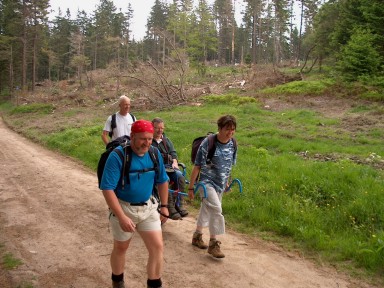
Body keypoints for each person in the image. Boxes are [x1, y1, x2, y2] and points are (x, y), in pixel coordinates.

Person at [100, 119, 169, 288]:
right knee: (121, 247)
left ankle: (154, 284)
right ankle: (118, 282)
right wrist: (121, 217)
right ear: (132, 137)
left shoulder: (154, 153)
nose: (147, 143)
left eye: (150, 139)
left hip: (148, 207)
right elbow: (107, 189)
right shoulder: (117, 156)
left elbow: (162, 180)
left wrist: (165, 207)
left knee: (157, 247)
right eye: (142, 139)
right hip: (123, 207)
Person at [188, 115, 237, 259]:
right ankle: (213, 243)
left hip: (220, 184)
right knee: (216, 209)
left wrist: (227, 181)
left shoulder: (233, 143)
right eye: (227, 129)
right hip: (206, 183)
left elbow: (228, 165)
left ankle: (197, 236)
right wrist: (191, 188)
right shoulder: (208, 142)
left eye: (233, 130)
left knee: (207, 209)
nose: (230, 133)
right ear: (220, 128)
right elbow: (197, 166)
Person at [151, 117, 188, 220]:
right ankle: (169, 207)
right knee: (165, 180)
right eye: (157, 128)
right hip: (157, 169)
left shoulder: (166, 140)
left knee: (180, 177)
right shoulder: (149, 140)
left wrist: (175, 162)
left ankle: (179, 204)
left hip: (169, 167)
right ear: (152, 128)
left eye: (162, 128)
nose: (160, 130)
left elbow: (173, 153)